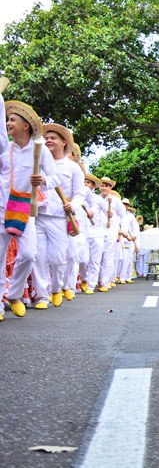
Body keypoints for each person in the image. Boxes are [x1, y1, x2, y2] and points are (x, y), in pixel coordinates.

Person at [0, 102, 61, 319]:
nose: (8, 123)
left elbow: (57, 177)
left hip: (25, 210)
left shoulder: (40, 150)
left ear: (26, 125)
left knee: (28, 255)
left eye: (13, 120)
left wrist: (43, 180)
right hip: (1, 209)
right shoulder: (4, 148)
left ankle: (14, 294)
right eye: (7, 119)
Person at [32, 123, 85, 307]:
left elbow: (80, 193)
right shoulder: (36, 163)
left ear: (64, 142)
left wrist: (73, 204)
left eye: (53, 138)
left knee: (57, 258)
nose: (48, 141)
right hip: (37, 216)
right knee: (37, 257)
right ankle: (42, 296)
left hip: (59, 218)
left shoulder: (72, 167)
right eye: (46, 138)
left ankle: (56, 289)